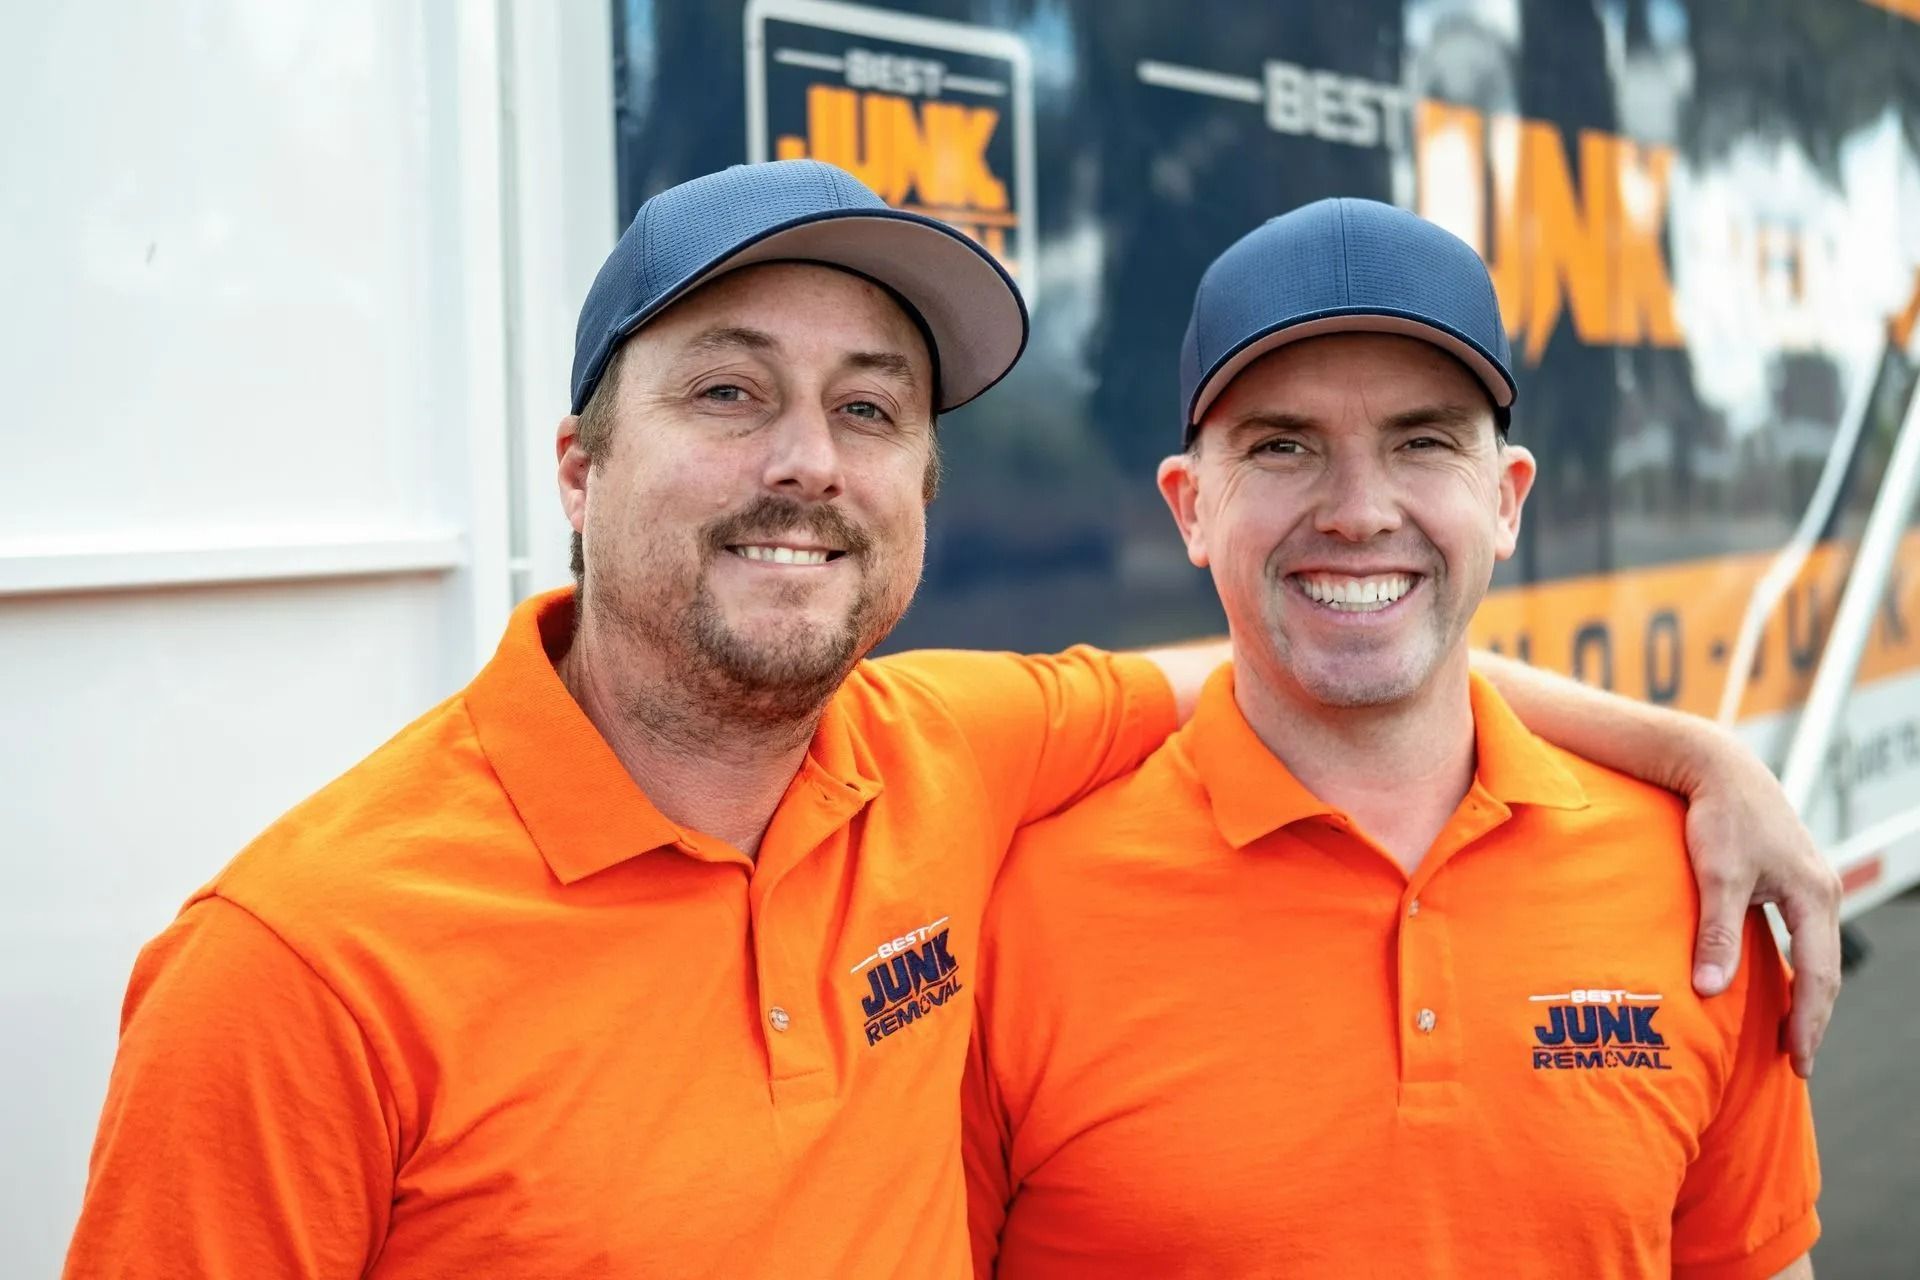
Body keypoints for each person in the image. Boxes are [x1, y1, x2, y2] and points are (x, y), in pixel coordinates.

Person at [65, 164, 1833, 1279]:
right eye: (729, 391)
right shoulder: (299, 964)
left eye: (870, 405)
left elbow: (1308, 647)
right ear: (580, 470)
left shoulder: (943, 756)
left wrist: (1698, 756)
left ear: (919, 473)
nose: (806, 463)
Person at [962, 199, 1821, 1279]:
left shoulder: (1694, 881)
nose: (1360, 510)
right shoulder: (1019, 916)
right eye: (1284, 444)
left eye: (1423, 441)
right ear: (1190, 508)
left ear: (1506, 501)